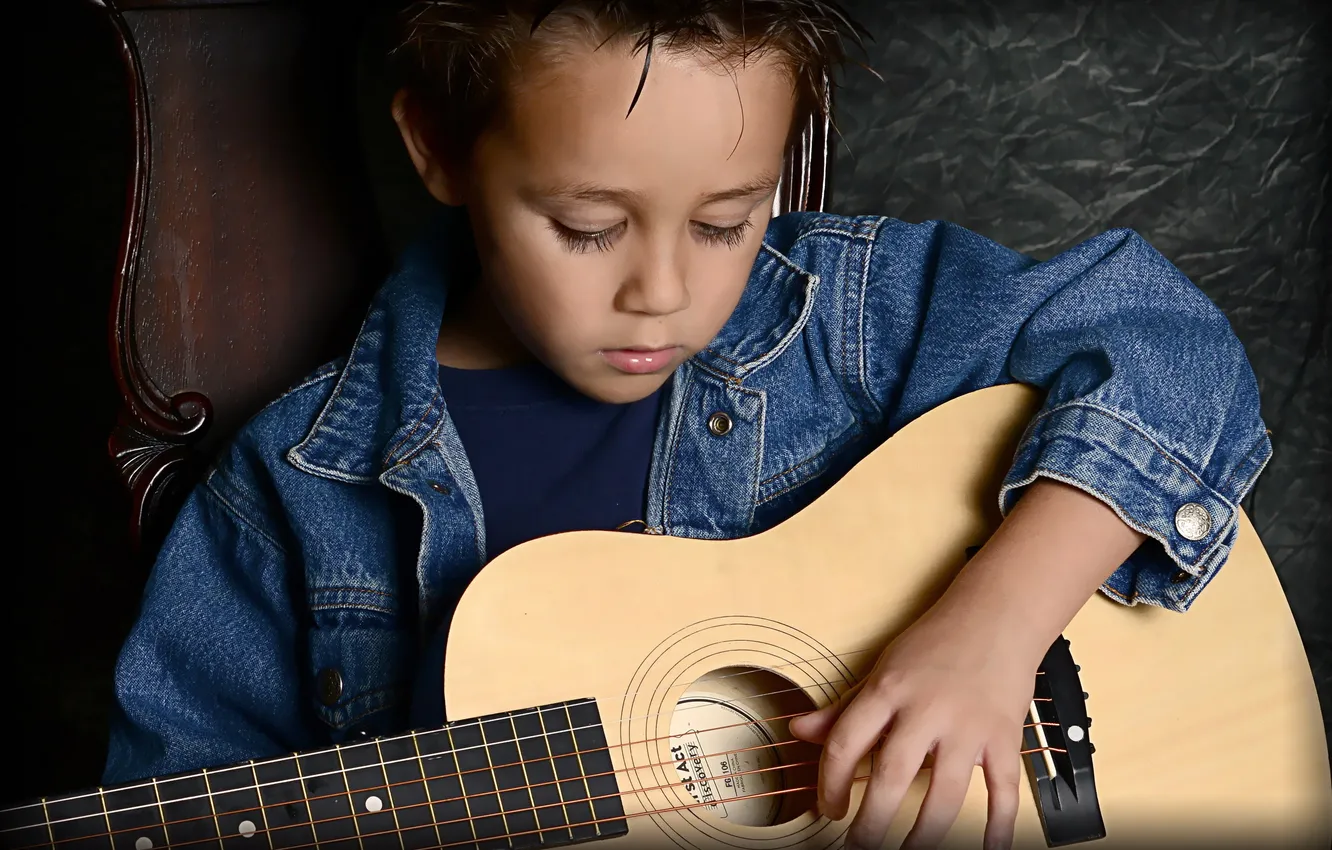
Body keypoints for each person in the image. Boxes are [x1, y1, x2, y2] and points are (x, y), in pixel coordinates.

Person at [102, 3, 1271, 848]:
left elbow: (1168, 346)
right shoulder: (301, 488)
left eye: (723, 221)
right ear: (439, 150)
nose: (662, 290)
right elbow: (189, 780)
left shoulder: (844, 322)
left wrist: (994, 625)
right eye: (588, 225)